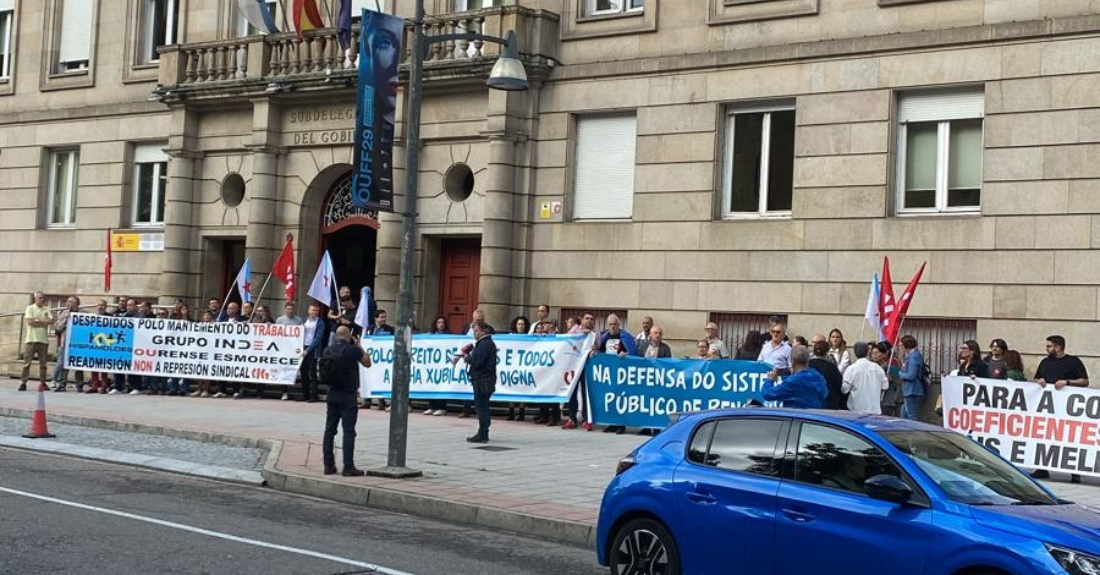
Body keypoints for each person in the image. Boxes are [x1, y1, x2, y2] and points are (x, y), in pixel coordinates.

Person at [1031, 335, 1089, 483]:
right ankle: (1042, 468)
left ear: (1058, 347)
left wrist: (1068, 382)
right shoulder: (1045, 362)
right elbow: (1037, 378)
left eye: (1049, 346)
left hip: (1067, 408)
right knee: (1045, 435)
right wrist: (1039, 380)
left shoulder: (1073, 361)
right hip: (1047, 407)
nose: (1047, 349)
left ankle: (1074, 472)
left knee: (1068, 436)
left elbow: (1085, 381)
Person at [321, 326, 372, 477]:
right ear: (349, 336)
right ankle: (348, 467)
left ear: (337, 336)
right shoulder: (352, 350)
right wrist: (359, 346)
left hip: (332, 393)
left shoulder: (327, 350)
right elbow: (367, 363)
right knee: (349, 431)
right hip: (348, 395)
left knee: (329, 430)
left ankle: (328, 465)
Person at [453, 320, 497, 443]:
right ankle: (484, 432)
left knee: (481, 407)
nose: (474, 333)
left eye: (476, 331)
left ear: (483, 331)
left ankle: (482, 433)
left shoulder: (484, 344)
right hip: (484, 380)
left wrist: (468, 358)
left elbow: (478, 363)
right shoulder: (485, 343)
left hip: (482, 380)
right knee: (483, 406)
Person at [597, 314, 638, 434]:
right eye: (610, 324)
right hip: (608, 373)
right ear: (607, 325)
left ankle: (621, 424)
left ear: (619, 324)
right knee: (609, 398)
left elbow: (634, 353)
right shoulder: (604, 337)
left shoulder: (625, 336)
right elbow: (600, 351)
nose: (613, 326)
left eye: (615, 324)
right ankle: (612, 423)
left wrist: (627, 355)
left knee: (620, 398)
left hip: (622, 373)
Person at [761, 346, 827, 409]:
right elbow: (824, 394)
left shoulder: (793, 381)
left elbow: (768, 394)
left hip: (798, 417)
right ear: (808, 360)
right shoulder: (817, 376)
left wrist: (769, 380)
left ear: (793, 361)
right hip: (815, 417)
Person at [564, 312, 595, 430]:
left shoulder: (594, 334)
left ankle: (587, 419)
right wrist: (580, 333)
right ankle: (572, 418)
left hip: (586, 366)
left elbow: (597, 346)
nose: (589, 321)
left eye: (591, 319)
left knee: (586, 393)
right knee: (572, 392)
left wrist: (594, 350)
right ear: (582, 320)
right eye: (586, 318)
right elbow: (567, 339)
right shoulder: (575, 329)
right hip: (573, 366)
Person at [841, 342, 889, 414]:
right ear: (868, 352)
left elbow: (844, 389)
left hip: (856, 409)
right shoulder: (878, 368)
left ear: (855, 352)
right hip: (874, 409)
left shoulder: (851, 369)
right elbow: (885, 386)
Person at [20, 292, 53, 392]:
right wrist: (43, 322)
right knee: (27, 362)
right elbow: (30, 322)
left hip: (43, 340)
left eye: (43, 298)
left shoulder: (47, 309)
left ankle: (42, 382)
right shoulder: (30, 308)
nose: (42, 300)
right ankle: (23, 382)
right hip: (31, 339)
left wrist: (38, 321)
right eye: (40, 298)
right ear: (35, 299)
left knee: (43, 364)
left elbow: (51, 321)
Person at [51, 296, 84, 392]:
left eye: (70, 302)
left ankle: (80, 385)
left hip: (78, 344)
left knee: (79, 365)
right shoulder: (64, 313)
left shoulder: (83, 314)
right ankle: (62, 384)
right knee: (63, 364)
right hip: (65, 343)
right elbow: (57, 328)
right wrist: (66, 319)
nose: (68, 304)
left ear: (76, 304)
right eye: (67, 301)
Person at [300, 302, 327, 403]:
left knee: (313, 373)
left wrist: (308, 350)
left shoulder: (320, 323)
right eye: (313, 310)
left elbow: (318, 338)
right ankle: (305, 394)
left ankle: (313, 395)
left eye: (316, 311)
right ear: (308, 311)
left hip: (313, 349)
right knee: (303, 372)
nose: (314, 312)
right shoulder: (303, 321)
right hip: (303, 348)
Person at [506, 316, 530, 422]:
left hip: (523, 367)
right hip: (512, 366)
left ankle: (521, 413)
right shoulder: (510, 336)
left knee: (522, 390)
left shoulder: (529, 337)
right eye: (519, 324)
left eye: (523, 324)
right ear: (515, 326)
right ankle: (511, 412)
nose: (521, 326)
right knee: (511, 389)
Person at [809, 340, 845, 409]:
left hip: (809, 405)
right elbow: (840, 386)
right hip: (827, 406)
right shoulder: (832, 368)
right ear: (827, 352)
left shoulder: (806, 365)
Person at [898, 335, 925, 421]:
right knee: (904, 415)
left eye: (902, 345)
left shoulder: (914, 357)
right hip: (909, 391)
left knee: (911, 416)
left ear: (907, 345)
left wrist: (900, 374)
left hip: (912, 391)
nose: (900, 347)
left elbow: (911, 375)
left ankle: (914, 433)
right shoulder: (912, 356)